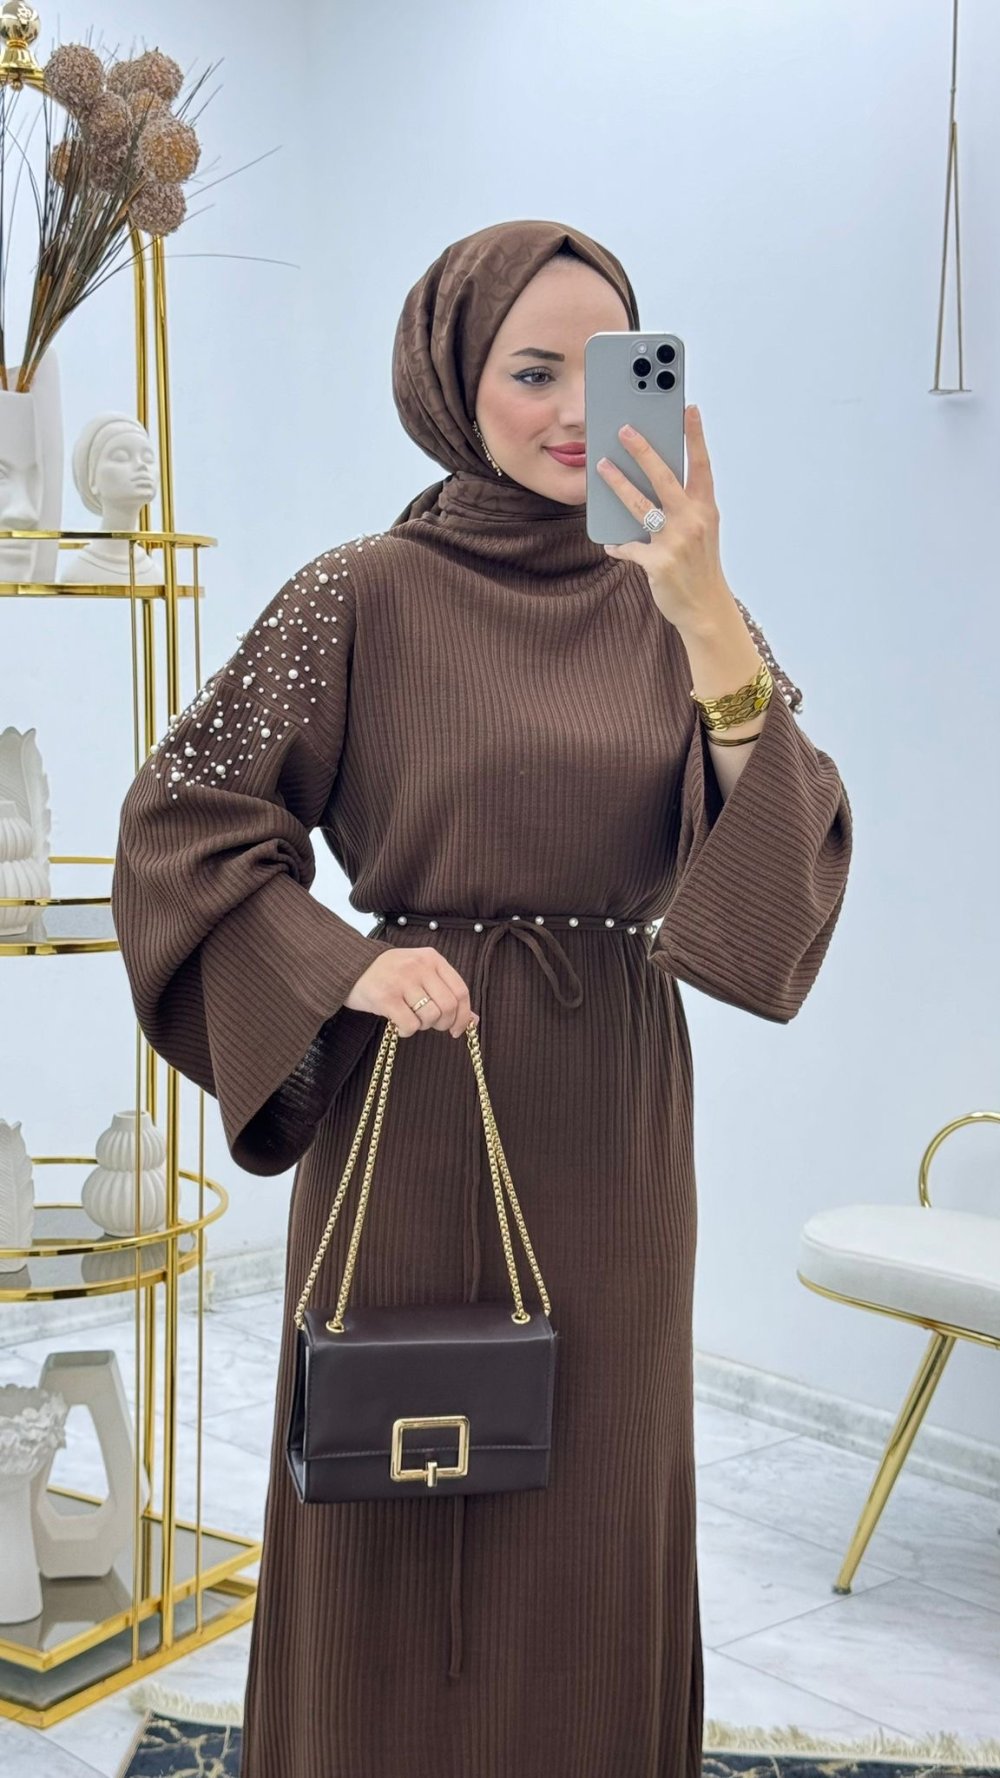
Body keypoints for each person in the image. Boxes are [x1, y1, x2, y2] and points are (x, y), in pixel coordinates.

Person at [111, 218, 853, 1778]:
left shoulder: (681, 601)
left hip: (609, 1115)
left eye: (608, 369)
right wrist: (343, 960)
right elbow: (183, 820)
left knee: (595, 1490)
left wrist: (706, 605)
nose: (576, 410)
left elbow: (784, 871)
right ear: (452, 382)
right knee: (391, 1476)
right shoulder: (358, 593)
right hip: (411, 1092)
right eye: (532, 371)